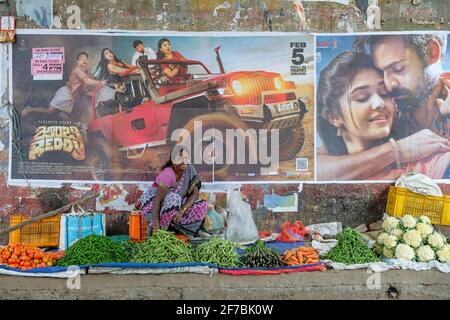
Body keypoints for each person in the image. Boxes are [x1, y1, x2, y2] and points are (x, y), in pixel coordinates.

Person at [317, 34, 450, 180]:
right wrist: (397, 150)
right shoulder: (399, 111)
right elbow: (314, 169)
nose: (389, 85)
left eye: (399, 68)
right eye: (362, 97)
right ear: (334, 117)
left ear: (431, 52)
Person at [135, 145, 207, 236]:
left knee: (201, 205)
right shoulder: (168, 175)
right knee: (174, 198)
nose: (183, 161)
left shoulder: (189, 169)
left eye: (186, 158)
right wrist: (156, 227)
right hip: (153, 209)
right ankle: (164, 231)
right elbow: (156, 202)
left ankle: (183, 230)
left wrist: (182, 210)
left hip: (176, 207)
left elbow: (195, 193)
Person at [21, 52, 107, 119]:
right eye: (82, 59)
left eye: (86, 59)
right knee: (49, 111)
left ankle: (62, 115)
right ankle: (30, 109)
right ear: (78, 61)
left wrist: (87, 92)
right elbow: (87, 81)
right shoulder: (78, 70)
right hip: (65, 94)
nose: (84, 60)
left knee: (57, 113)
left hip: (71, 97)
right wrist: (100, 82)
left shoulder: (84, 71)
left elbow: (80, 85)